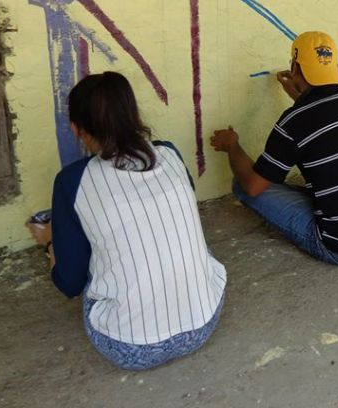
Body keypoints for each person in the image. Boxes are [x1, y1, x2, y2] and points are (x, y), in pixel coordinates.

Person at [26, 72, 226, 370]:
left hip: (130, 347)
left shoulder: (72, 181)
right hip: (203, 324)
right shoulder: (170, 153)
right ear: (134, 115)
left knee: (93, 261)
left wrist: (50, 243)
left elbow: (70, 283)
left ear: (76, 129)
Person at [210, 31, 338, 265]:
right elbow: (321, 119)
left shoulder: (294, 121)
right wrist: (298, 98)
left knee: (243, 184)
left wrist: (232, 146)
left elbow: (253, 187)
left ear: (294, 67)